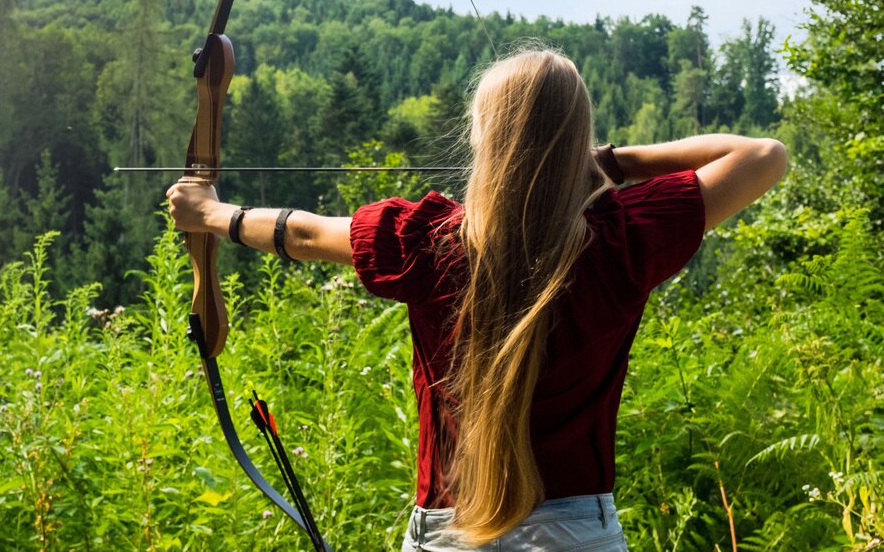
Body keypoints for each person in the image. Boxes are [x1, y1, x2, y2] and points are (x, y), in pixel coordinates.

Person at [167, 47, 787, 551]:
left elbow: (300, 233)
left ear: (483, 138)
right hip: (578, 535)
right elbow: (763, 156)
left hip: (449, 532)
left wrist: (213, 212)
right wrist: (608, 163)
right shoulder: (623, 236)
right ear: (579, 138)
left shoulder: (424, 239)